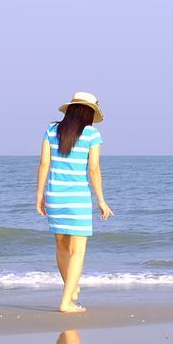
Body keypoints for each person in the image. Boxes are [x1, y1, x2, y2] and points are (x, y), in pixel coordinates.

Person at [36, 92, 113, 312]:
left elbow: (44, 164)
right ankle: (65, 302)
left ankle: (71, 289)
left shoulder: (51, 130)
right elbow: (94, 169)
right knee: (77, 251)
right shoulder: (92, 134)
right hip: (78, 197)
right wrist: (101, 200)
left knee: (61, 246)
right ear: (90, 112)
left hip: (54, 195)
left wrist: (39, 195)